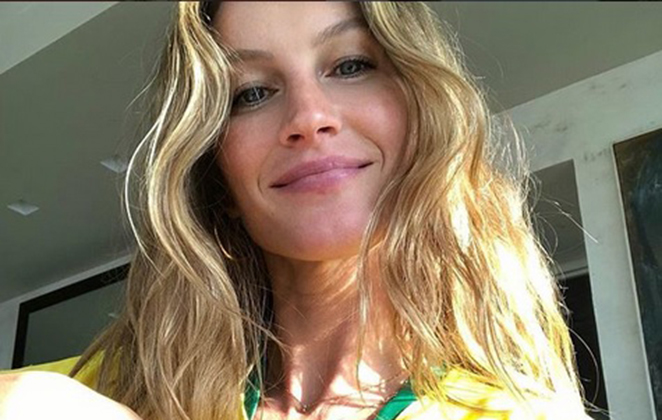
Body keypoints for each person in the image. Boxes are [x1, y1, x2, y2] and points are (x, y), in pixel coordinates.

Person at [1, 2, 597, 420]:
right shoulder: (123, 383)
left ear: (425, 117)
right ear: (216, 179)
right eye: (252, 93)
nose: (310, 117)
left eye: (351, 65)